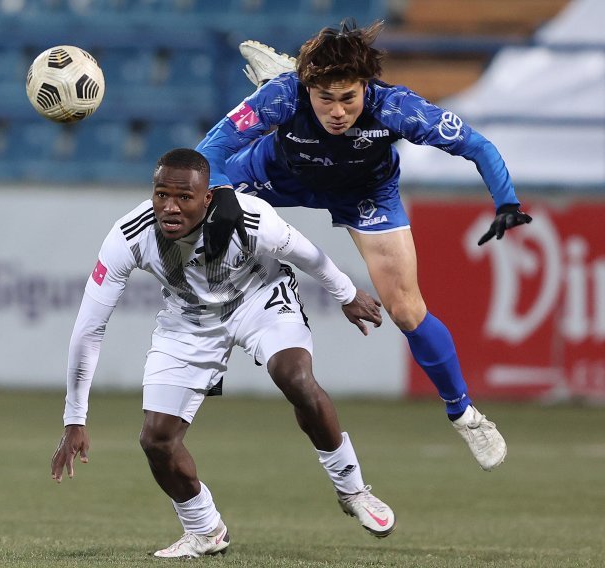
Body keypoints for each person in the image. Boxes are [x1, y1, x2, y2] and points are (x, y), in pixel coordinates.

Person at [195, 20, 533, 472]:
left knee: (407, 310)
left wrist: (506, 201)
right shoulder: (283, 97)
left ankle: (464, 414)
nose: (338, 112)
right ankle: (208, 350)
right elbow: (208, 154)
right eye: (325, 98)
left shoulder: (396, 108)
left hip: (365, 195)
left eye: (348, 98)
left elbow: (477, 146)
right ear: (307, 89)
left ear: (365, 87)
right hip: (278, 176)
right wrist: (220, 198)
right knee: (198, 209)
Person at [50, 148, 396, 559]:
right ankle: (205, 530)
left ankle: (352, 488)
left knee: (295, 377)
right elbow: (90, 326)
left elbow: (306, 254)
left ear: (207, 198)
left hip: (259, 298)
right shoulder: (129, 235)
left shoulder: (252, 219)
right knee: (156, 440)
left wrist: (346, 293)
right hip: (189, 318)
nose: (170, 208)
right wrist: (75, 418)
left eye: (184, 197)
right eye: (161, 195)